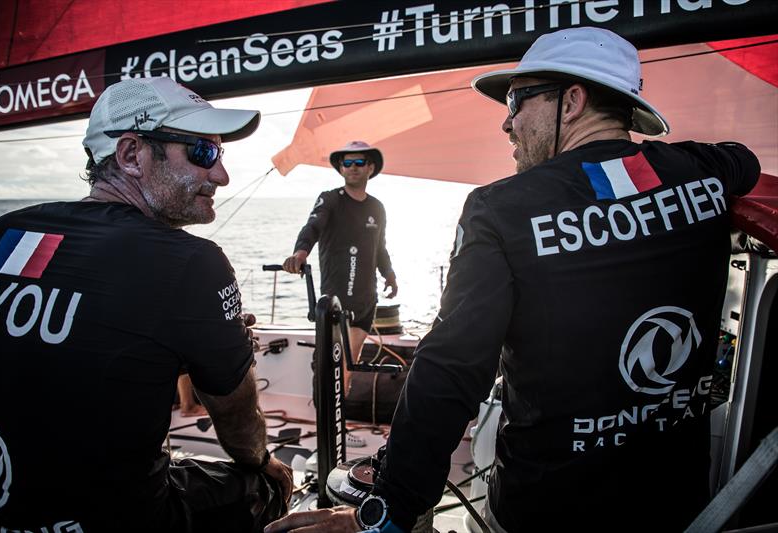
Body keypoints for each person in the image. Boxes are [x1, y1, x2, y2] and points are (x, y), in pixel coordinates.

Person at [265, 27, 761, 533]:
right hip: (677, 503)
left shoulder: (502, 210)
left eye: (517, 101)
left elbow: (452, 368)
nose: (507, 123)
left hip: (548, 512)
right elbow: (745, 161)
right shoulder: (701, 171)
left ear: (572, 101)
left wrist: (391, 506)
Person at [0, 76, 292, 532]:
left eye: (220, 154)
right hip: (118, 520)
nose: (221, 175)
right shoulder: (189, 261)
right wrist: (262, 459)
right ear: (130, 155)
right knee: (263, 483)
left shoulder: (5, 233)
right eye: (203, 153)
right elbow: (238, 423)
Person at [283, 141, 398, 397]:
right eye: (347, 163)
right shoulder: (331, 199)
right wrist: (300, 252)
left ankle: (340, 427)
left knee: (348, 365)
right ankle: (326, 425)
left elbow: (380, 247)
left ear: (370, 168)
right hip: (336, 299)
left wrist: (389, 274)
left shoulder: (377, 207)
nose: (353, 168)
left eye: (359, 163)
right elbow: (312, 226)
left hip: (366, 299)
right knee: (332, 364)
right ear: (340, 168)